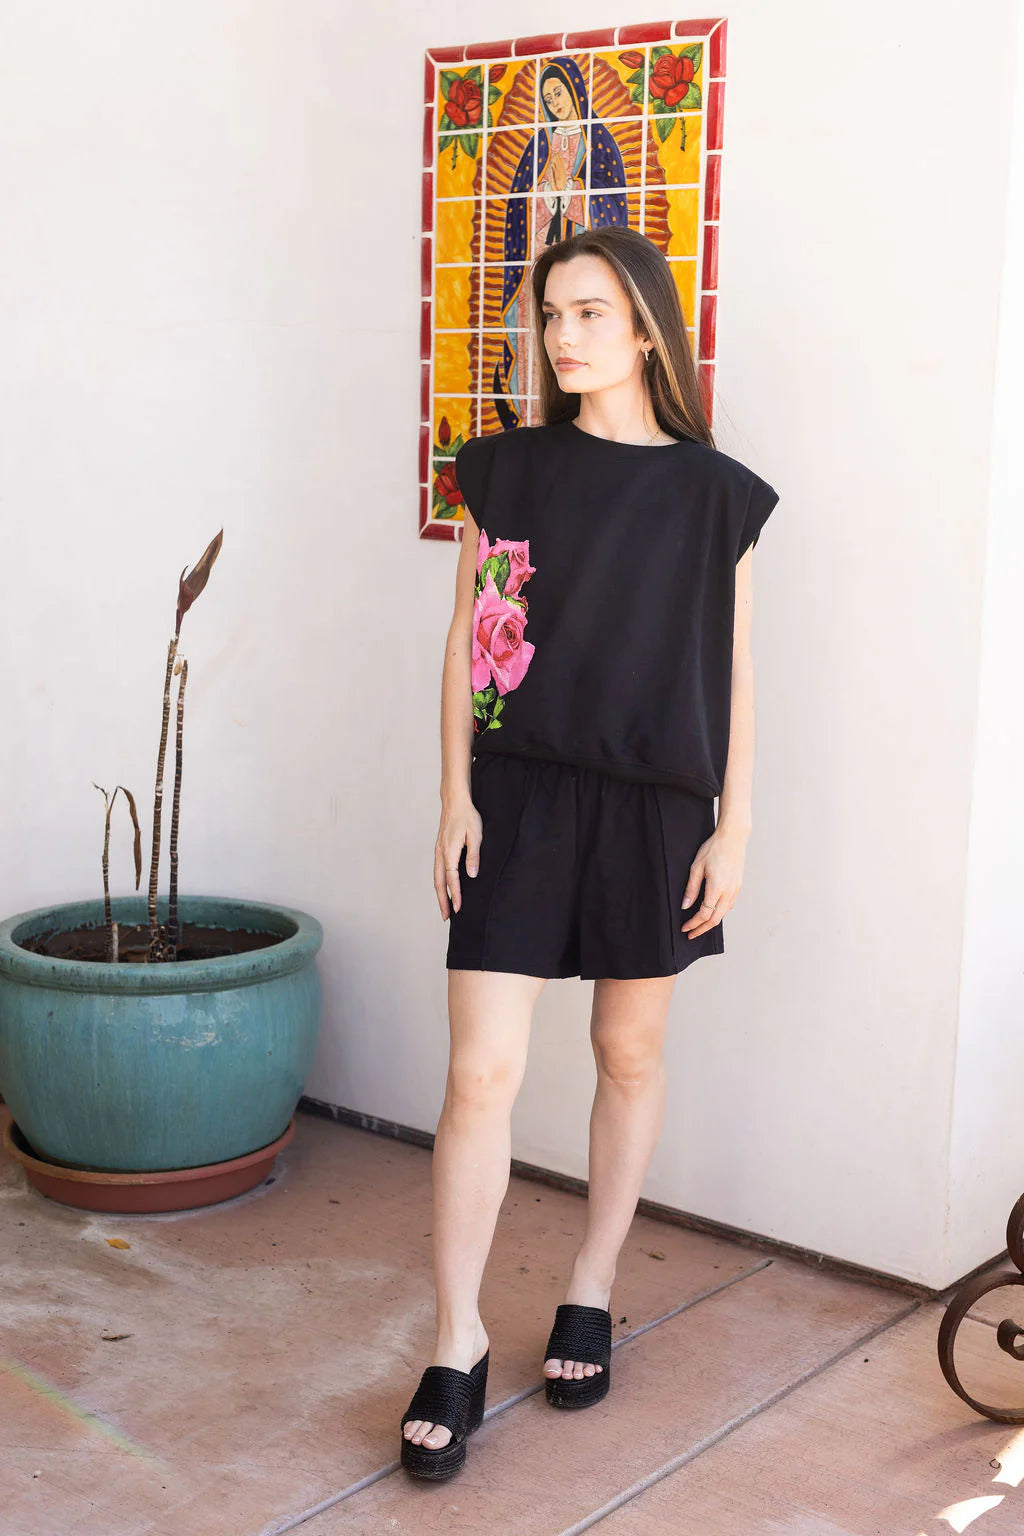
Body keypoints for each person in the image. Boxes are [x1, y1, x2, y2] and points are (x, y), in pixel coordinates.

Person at [400, 227, 779, 1479]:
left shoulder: (712, 491)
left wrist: (733, 821)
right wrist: (455, 794)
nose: (562, 337)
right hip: (517, 793)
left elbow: (728, 667)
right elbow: (470, 639)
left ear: (648, 330)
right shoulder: (503, 471)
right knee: (480, 1077)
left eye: (589, 314)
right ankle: (453, 1340)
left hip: (657, 805)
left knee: (628, 1053)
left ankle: (591, 1286)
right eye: (549, 314)